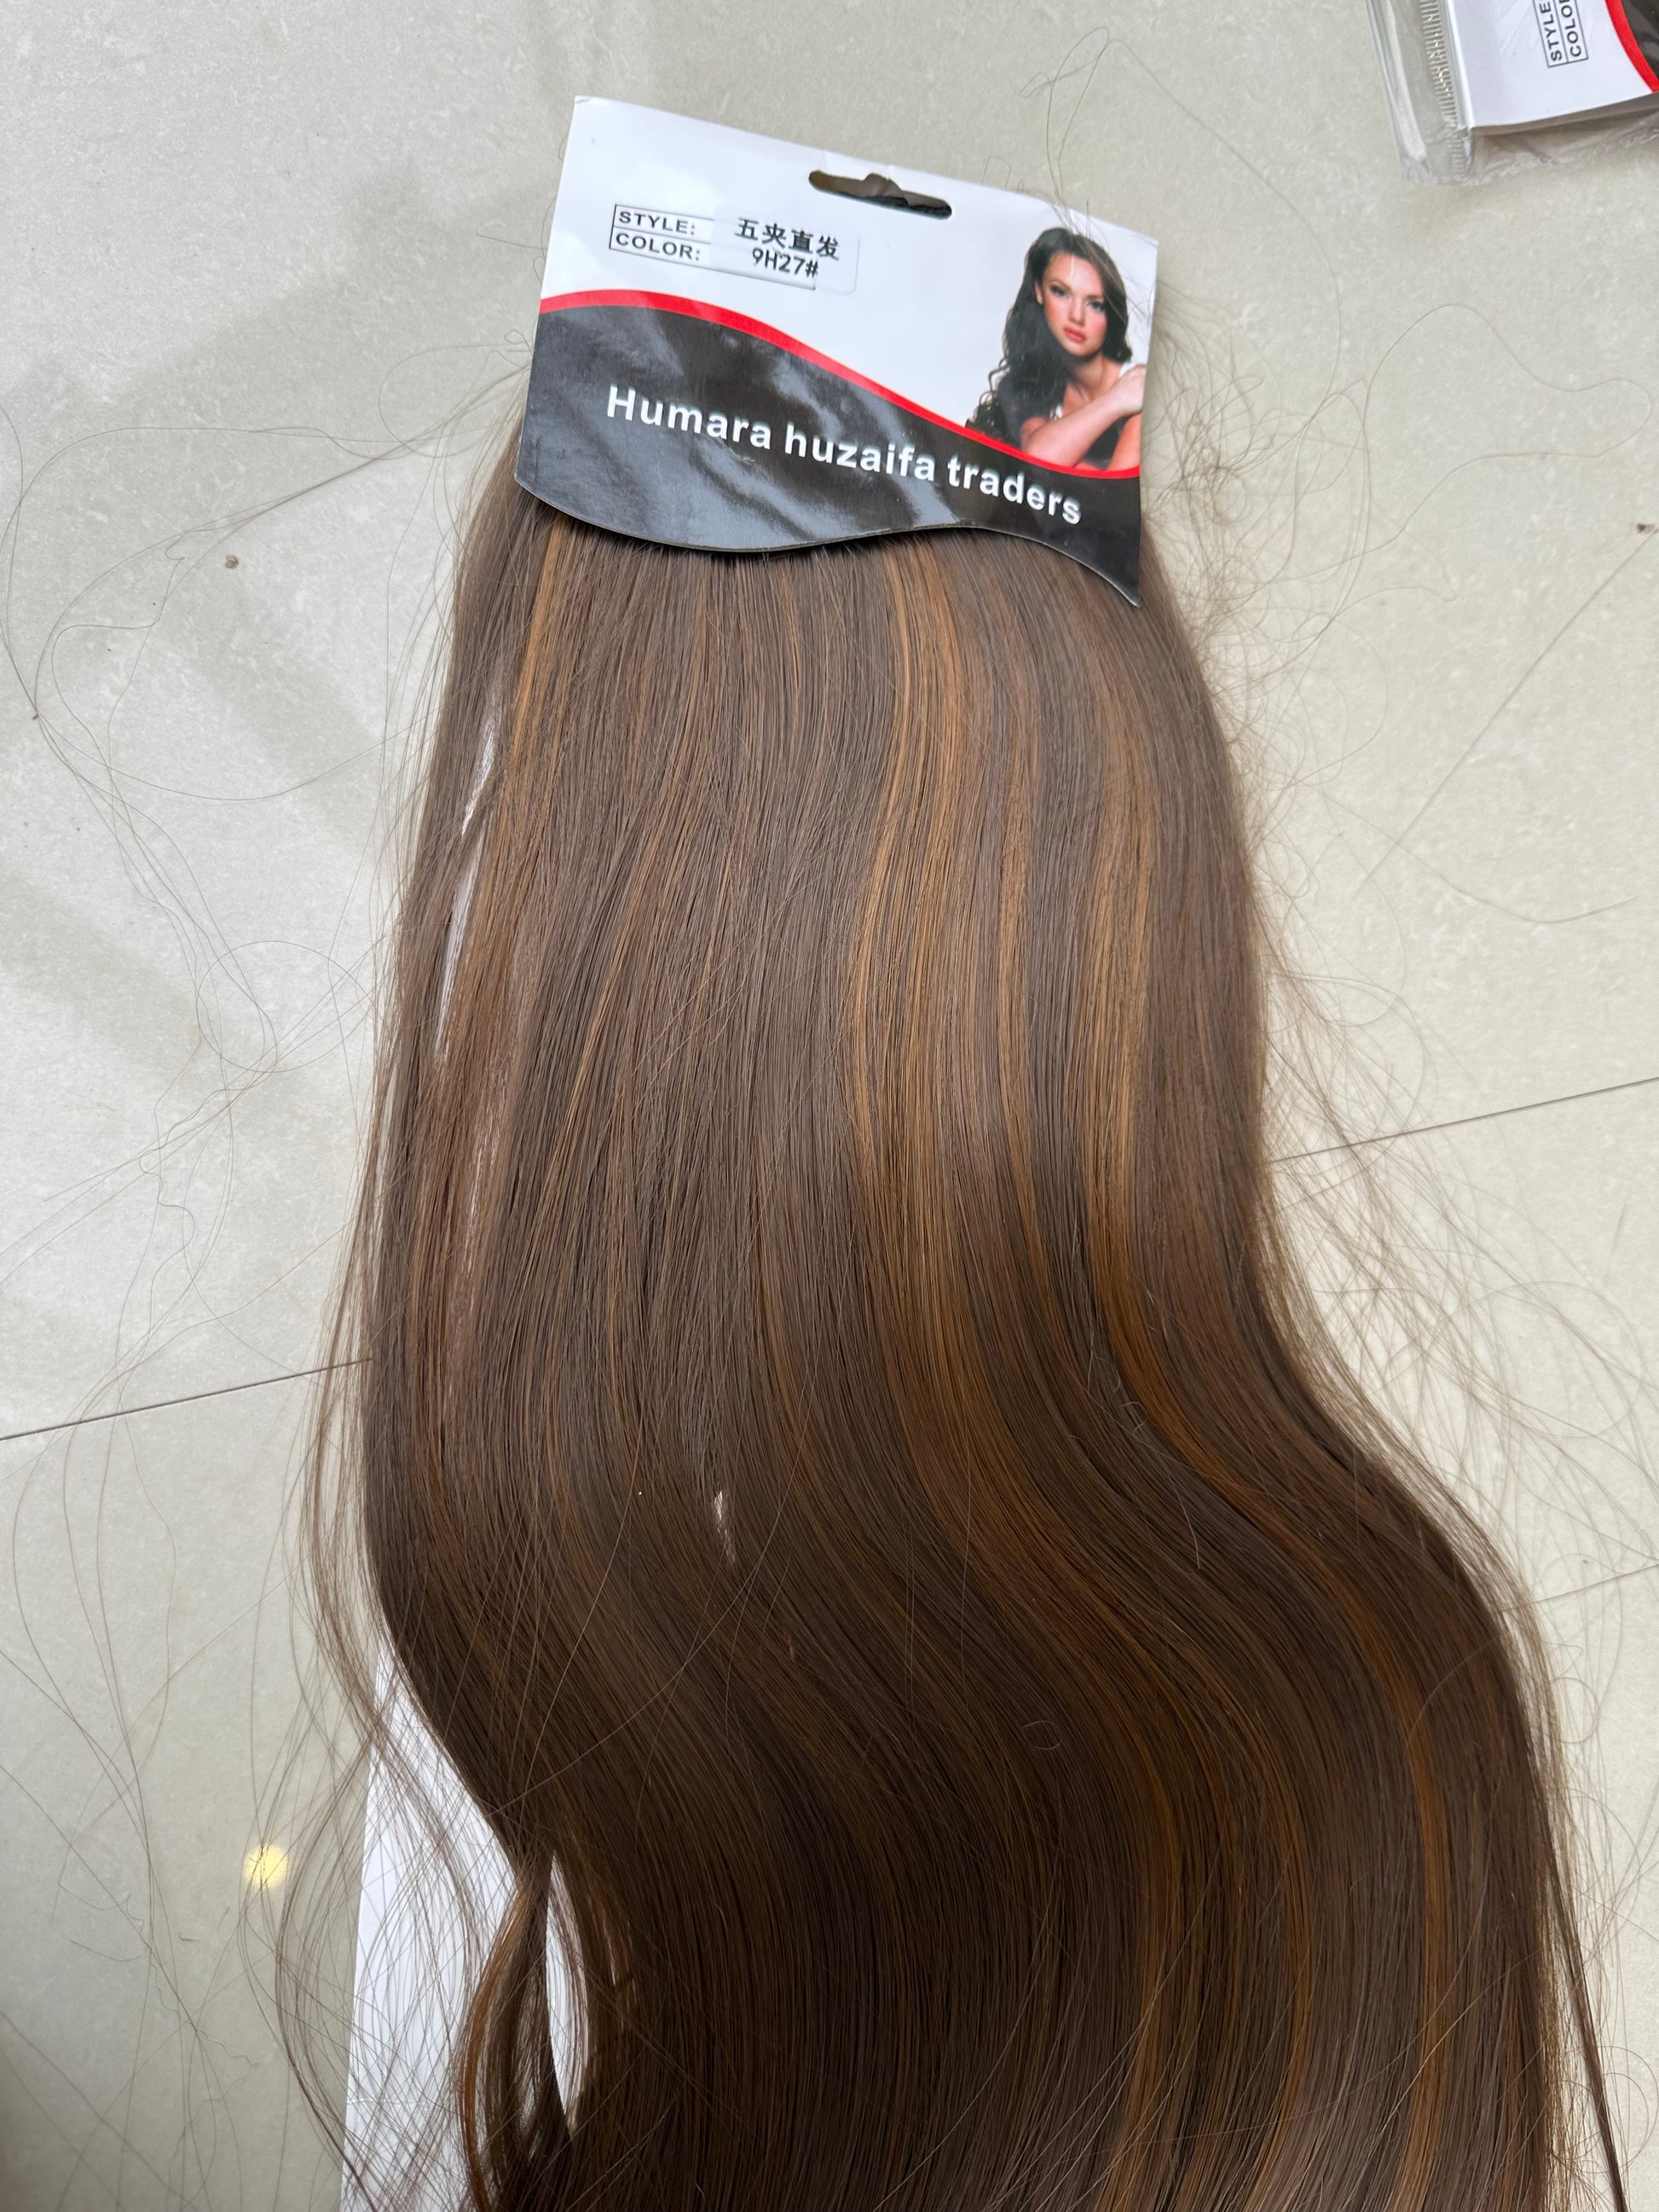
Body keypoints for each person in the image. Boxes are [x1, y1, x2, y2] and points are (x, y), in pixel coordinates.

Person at [970, 226, 1145, 472]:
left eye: (1095, 305)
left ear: (1110, 314)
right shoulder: (1029, 384)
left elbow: (1114, 494)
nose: (1077, 317)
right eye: (1061, 292)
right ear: (1039, 292)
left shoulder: (1138, 386)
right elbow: (1039, 456)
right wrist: (1116, 400)